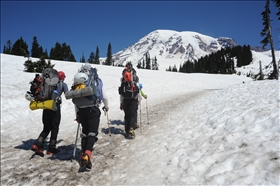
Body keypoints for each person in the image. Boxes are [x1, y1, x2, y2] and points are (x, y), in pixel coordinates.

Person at [72, 68, 109, 169]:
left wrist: (77, 114)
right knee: (92, 133)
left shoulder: (78, 84)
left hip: (81, 111)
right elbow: (104, 96)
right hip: (93, 109)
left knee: (85, 133)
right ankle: (87, 154)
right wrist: (106, 106)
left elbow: (76, 101)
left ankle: (83, 155)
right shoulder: (96, 82)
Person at [31, 71, 69, 157]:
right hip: (55, 108)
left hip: (46, 106)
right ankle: (51, 148)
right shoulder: (63, 84)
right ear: (62, 77)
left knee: (46, 128)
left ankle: (37, 144)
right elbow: (67, 95)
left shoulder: (47, 83)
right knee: (55, 127)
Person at [119, 62, 139, 139]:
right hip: (133, 99)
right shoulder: (134, 79)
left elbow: (121, 94)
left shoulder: (123, 82)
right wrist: (137, 100)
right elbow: (137, 90)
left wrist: (121, 103)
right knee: (133, 114)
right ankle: (131, 128)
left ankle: (127, 131)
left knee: (127, 115)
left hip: (125, 100)